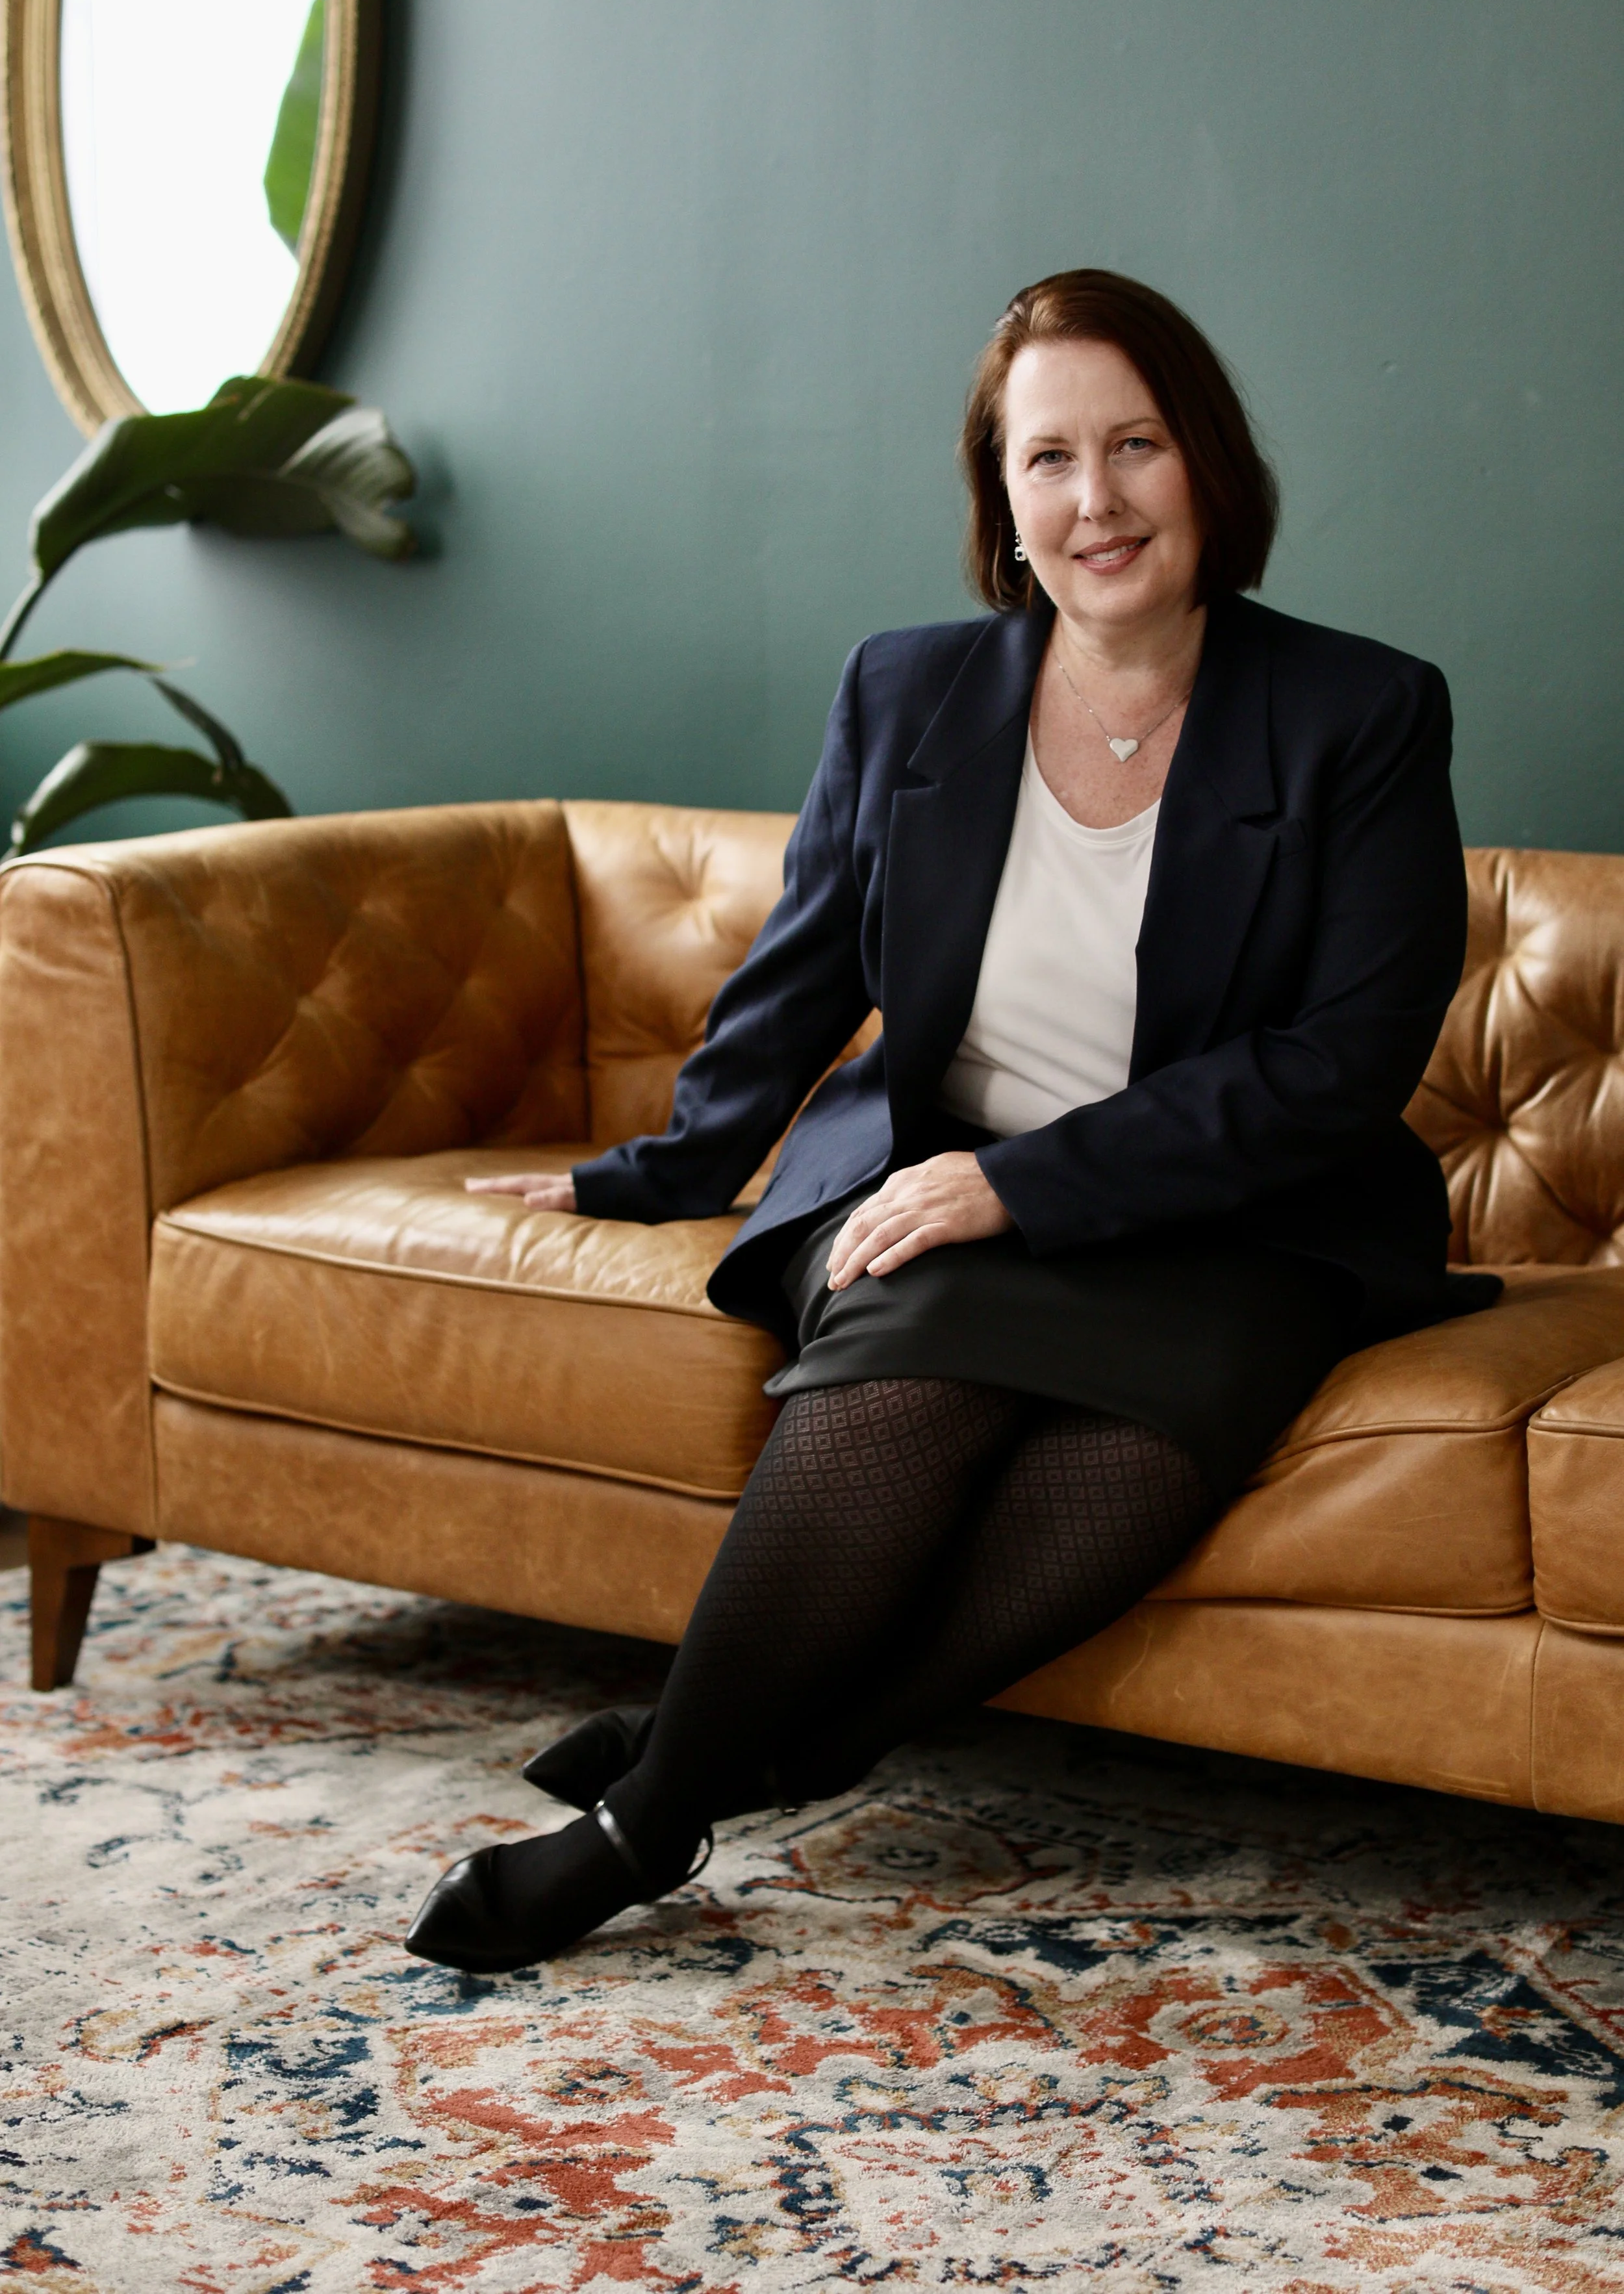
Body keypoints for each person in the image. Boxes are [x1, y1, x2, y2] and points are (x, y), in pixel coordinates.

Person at [406, 268, 1496, 1974]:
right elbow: (802, 968)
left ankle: (676, 1794)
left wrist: (1018, 1185)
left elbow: (1334, 1067)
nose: (1094, 498)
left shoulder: (1359, 712)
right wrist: (666, 1168)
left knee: (1130, 1465)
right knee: (897, 1381)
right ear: (999, 495)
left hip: (1239, 1215)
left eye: (1133, 444)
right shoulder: (907, 689)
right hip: (948, 1181)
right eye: (1045, 457)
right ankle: (712, 1780)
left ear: (1204, 462)